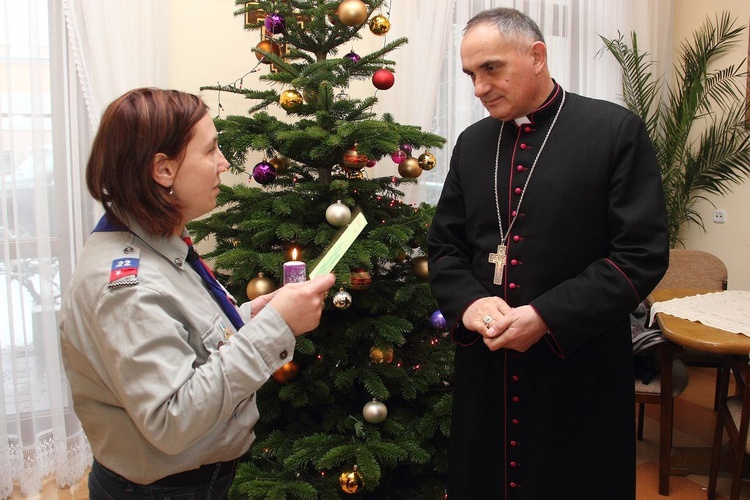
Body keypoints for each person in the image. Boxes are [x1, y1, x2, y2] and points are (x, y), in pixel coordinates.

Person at [427, 8, 669, 499]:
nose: (479, 87)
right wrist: (471, 304)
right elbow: (445, 247)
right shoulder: (473, 144)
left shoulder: (613, 132)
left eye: (491, 68)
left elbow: (640, 255)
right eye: (471, 74)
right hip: (487, 365)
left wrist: (545, 315)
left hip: (577, 365)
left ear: (537, 56)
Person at [59, 87, 336, 499]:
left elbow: (184, 342)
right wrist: (276, 327)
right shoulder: (126, 288)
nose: (224, 164)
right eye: (210, 151)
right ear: (164, 170)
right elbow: (172, 420)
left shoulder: (157, 243)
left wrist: (251, 316)